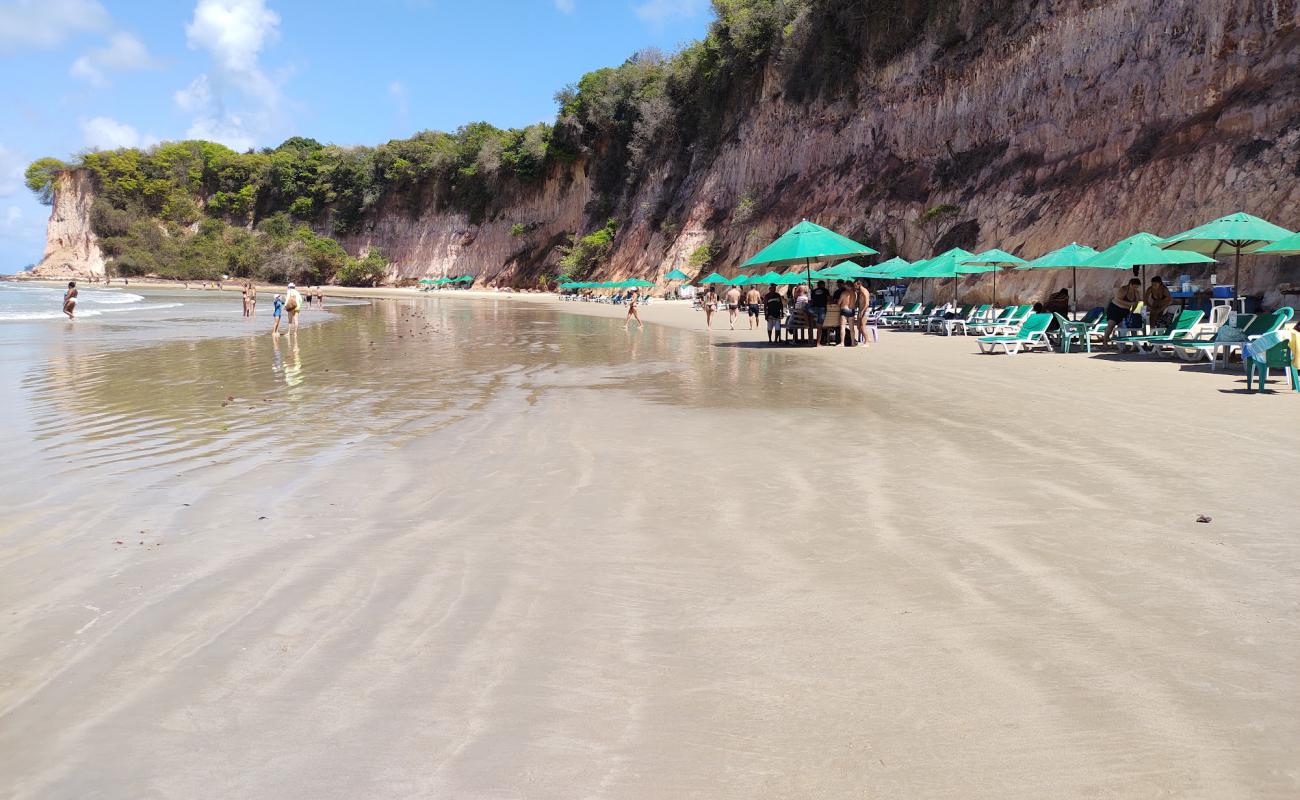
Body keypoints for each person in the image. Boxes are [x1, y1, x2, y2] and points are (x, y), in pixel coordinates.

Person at [1101, 277, 1143, 345]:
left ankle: (1124, 344)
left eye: (1137, 287)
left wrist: (1132, 311)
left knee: (1124, 326)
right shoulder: (1123, 290)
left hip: (1125, 310)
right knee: (1111, 325)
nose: (1135, 288)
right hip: (1115, 308)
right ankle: (1105, 341)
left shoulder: (1136, 293)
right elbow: (1117, 300)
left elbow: (1136, 303)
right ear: (1130, 284)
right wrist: (1129, 304)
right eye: (1134, 287)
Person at [836, 281, 859, 346]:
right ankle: (852, 343)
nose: (844, 286)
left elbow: (839, 303)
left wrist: (838, 302)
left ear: (848, 286)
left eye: (845, 285)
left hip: (844, 309)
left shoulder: (844, 293)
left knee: (843, 327)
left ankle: (842, 343)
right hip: (852, 310)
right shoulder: (855, 293)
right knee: (852, 328)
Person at [809, 280, 830, 346]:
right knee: (819, 327)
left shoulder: (814, 291)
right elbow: (829, 299)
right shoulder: (826, 291)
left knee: (811, 326)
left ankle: (811, 341)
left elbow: (811, 300)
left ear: (818, 285)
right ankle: (818, 343)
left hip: (813, 310)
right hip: (822, 309)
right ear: (823, 285)